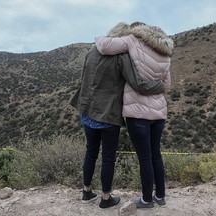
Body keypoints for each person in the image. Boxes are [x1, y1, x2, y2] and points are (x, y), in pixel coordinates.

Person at [70, 22, 165, 209]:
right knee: (108, 157)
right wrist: (159, 86)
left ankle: (86, 191)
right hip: (108, 114)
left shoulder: (92, 50)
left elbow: (84, 79)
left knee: (90, 152)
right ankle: (106, 198)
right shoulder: (122, 57)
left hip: (87, 110)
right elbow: (138, 84)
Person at [95, 22, 174, 208]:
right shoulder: (165, 53)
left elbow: (105, 47)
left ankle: (146, 200)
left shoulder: (133, 40)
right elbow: (167, 86)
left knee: (144, 158)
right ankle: (160, 197)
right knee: (156, 155)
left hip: (137, 114)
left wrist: (99, 38)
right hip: (159, 112)